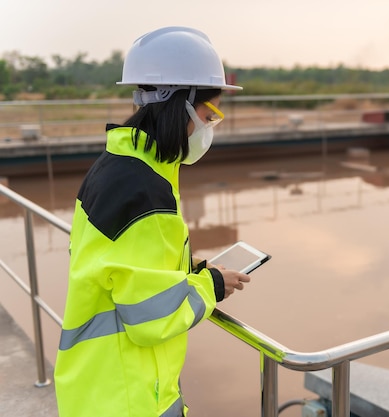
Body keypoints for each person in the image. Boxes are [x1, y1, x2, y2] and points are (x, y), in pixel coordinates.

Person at [53, 26, 250, 417]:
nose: (210, 126)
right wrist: (210, 285)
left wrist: (188, 269)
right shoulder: (146, 191)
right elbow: (149, 315)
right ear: (181, 105)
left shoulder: (117, 167)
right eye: (210, 113)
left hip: (95, 383)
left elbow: (115, 265)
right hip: (128, 396)